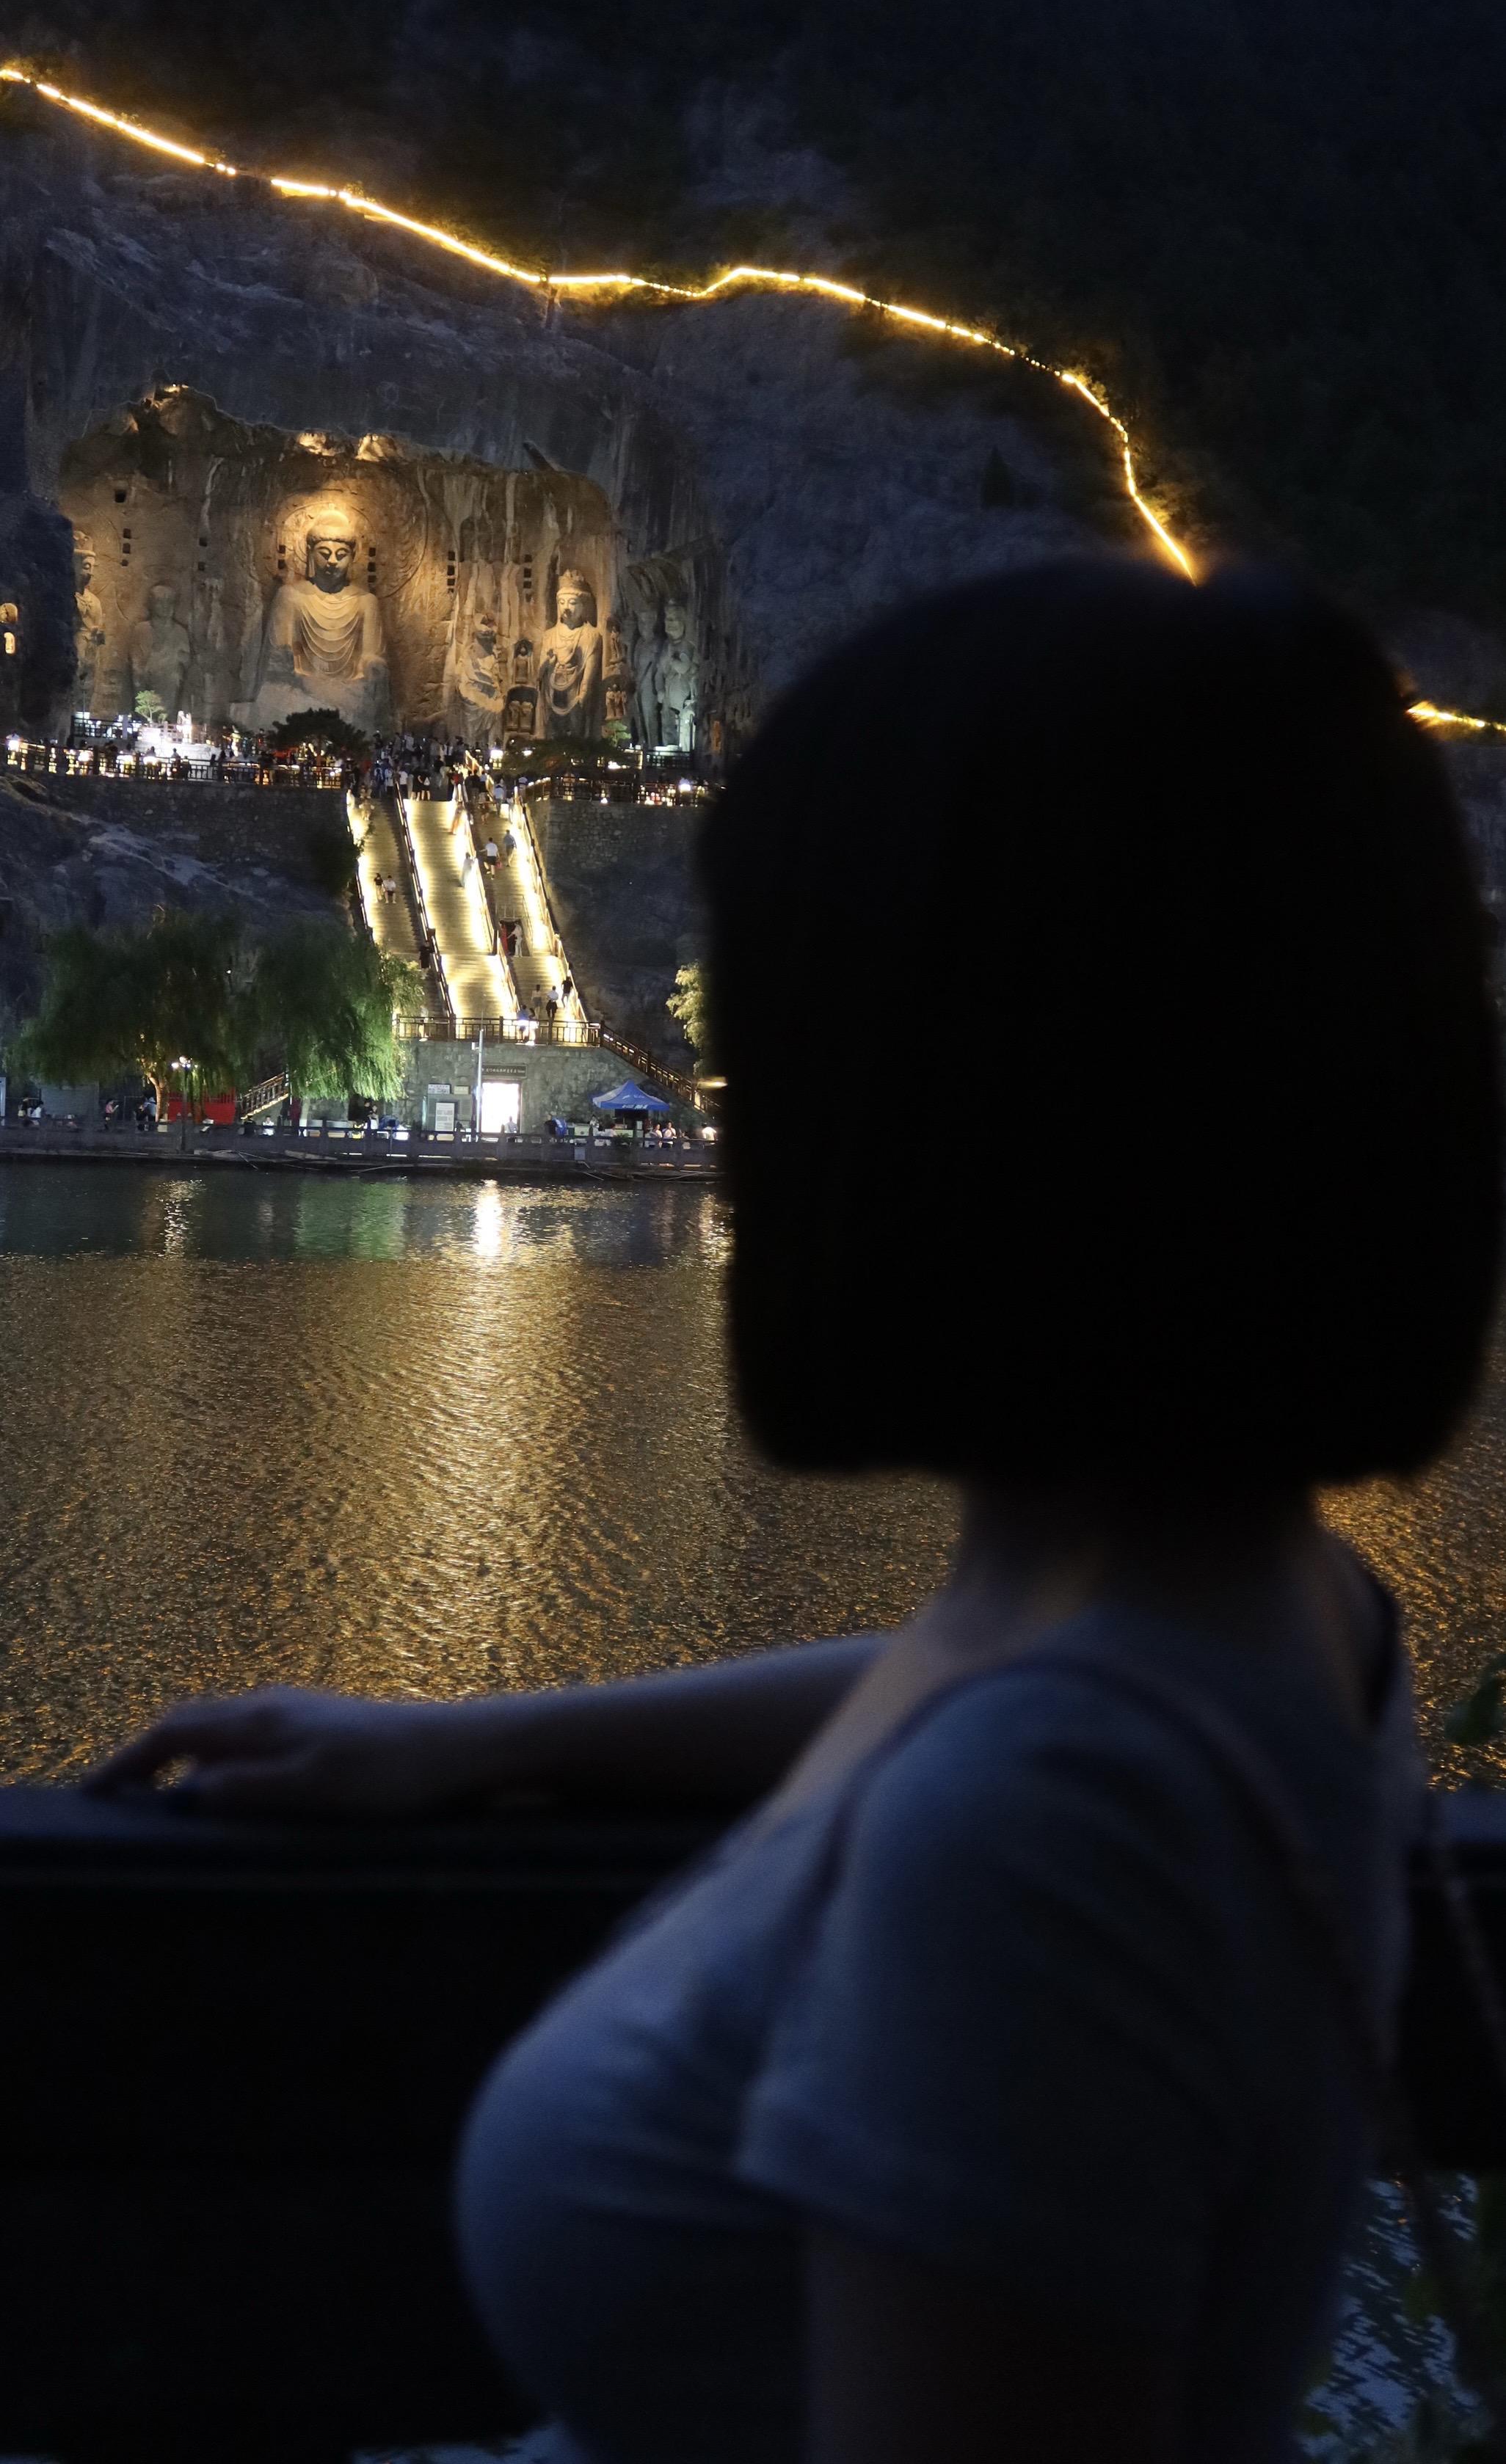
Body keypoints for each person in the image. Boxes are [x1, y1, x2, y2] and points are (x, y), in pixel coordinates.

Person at [87, 562, 1502, 2464]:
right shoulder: (1273, 1614)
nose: (739, 1139)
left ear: (978, 1101)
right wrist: (477, 1746)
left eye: (798, 1023)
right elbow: (969, 1671)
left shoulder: (1035, 1847)